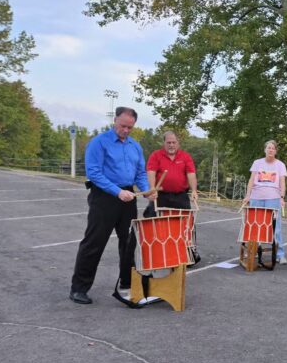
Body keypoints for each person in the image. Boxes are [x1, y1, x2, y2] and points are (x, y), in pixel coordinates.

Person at [69, 107, 152, 304]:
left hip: (128, 197)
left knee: (129, 242)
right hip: (104, 197)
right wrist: (117, 191)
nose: (126, 130)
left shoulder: (135, 146)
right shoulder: (99, 142)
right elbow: (94, 173)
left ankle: (126, 282)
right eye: (123, 126)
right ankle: (79, 288)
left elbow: (140, 172)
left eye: (130, 127)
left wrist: (147, 189)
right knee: (94, 242)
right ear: (115, 120)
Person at [144, 130, 201, 264]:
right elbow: (151, 172)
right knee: (152, 221)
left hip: (180, 196)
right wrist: (152, 189)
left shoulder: (185, 157)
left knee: (187, 224)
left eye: (174, 142)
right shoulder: (156, 155)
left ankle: (188, 254)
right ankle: (154, 254)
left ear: (178, 143)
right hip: (161, 195)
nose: (171, 145)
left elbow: (191, 174)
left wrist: (194, 190)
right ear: (164, 143)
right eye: (168, 142)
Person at [243, 140, 287, 264]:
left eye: (273, 148)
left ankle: (280, 254)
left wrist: (282, 197)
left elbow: (282, 182)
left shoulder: (280, 165)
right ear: (265, 149)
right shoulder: (257, 163)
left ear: (276, 151)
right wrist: (248, 195)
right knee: (254, 225)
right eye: (268, 148)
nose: (270, 150)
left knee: (276, 227)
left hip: (273, 198)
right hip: (256, 197)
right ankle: (253, 251)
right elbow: (251, 180)